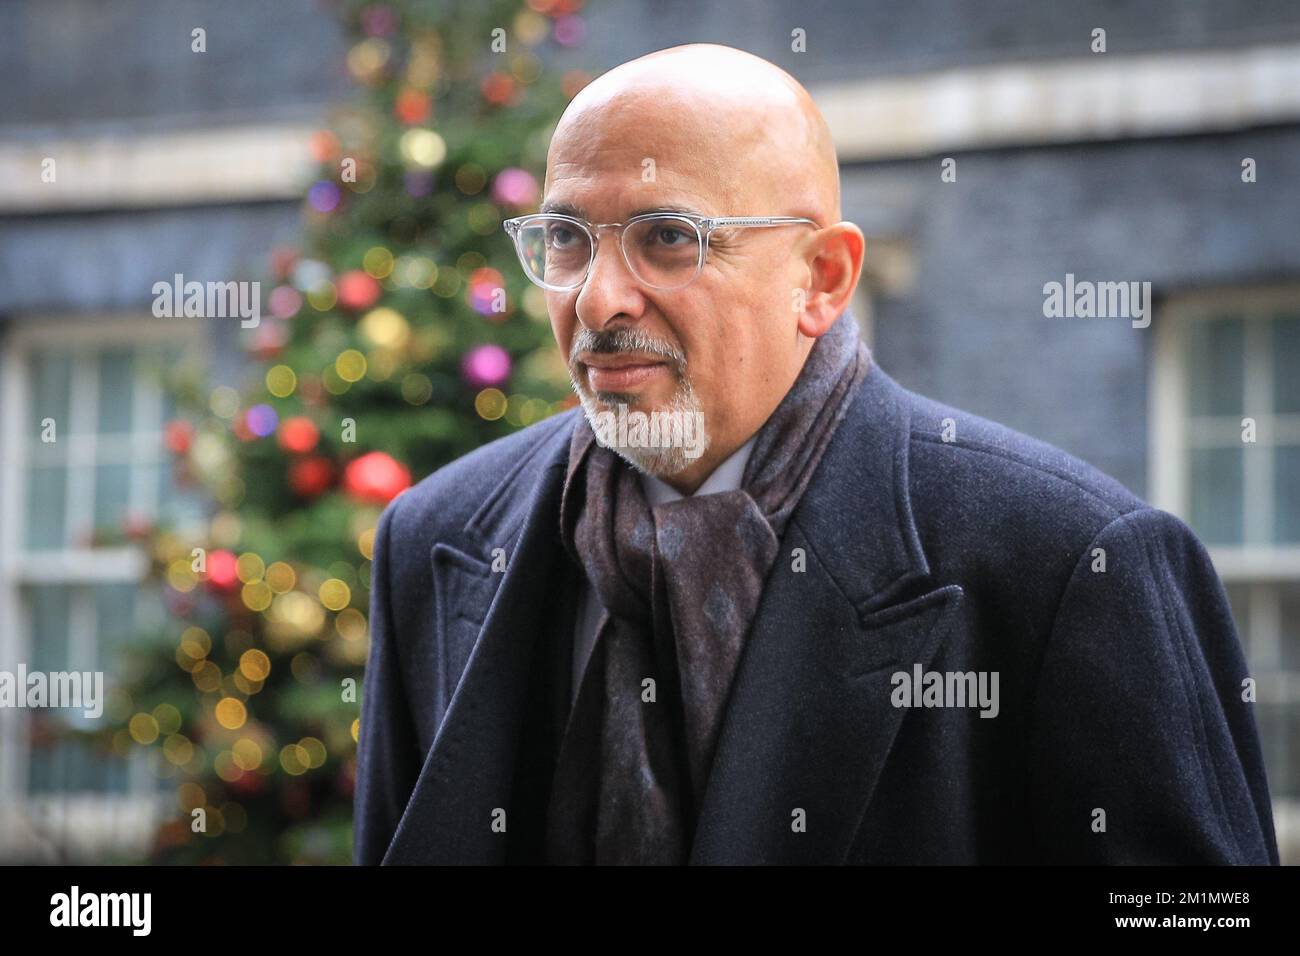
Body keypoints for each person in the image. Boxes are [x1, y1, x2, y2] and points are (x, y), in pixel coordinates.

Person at [353, 43, 1279, 865]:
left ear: (822, 278)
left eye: (667, 239)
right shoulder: (434, 538)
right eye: (566, 239)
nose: (598, 302)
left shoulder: (1073, 564)